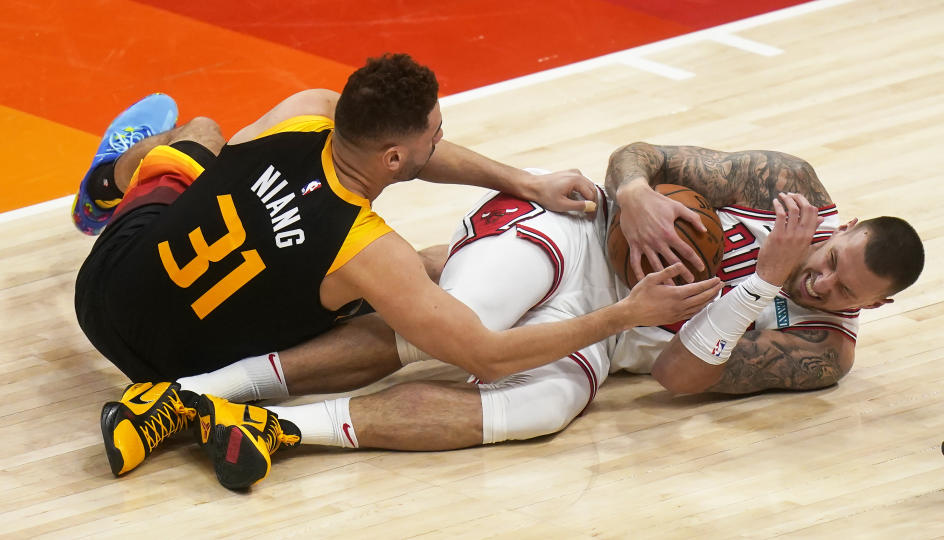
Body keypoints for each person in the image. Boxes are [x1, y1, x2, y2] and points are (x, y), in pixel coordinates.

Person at [126, 142, 922, 490]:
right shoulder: (785, 181)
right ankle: (198, 387)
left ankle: (280, 432)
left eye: (843, 290)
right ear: (843, 229)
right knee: (455, 322)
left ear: (872, 308)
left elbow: (680, 378)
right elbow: (640, 155)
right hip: (577, 234)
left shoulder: (823, 352)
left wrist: (762, 287)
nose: (820, 282)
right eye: (828, 260)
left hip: (613, 337)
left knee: (540, 409)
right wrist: (639, 196)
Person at [78, 56, 720, 486]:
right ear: (393, 156)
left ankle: (109, 182)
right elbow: (490, 358)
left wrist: (521, 180)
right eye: (433, 136)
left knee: (201, 132)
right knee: (413, 290)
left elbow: (410, 156)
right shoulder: (368, 250)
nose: (440, 142)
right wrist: (623, 315)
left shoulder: (307, 110)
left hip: (106, 284)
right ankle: (221, 391)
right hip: (174, 364)